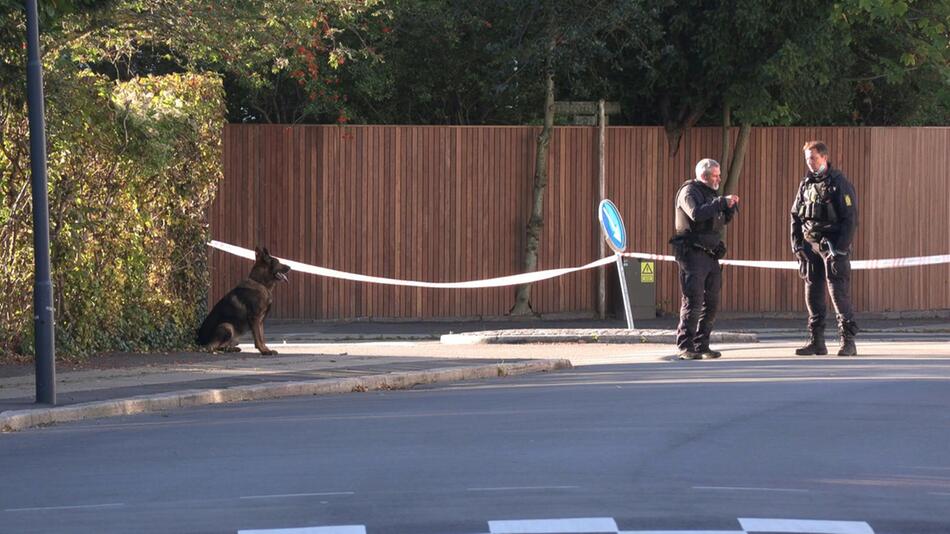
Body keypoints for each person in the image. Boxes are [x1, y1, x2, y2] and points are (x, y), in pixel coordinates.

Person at [790, 141, 859, 356]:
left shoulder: (839, 183)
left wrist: (839, 249)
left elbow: (850, 219)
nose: (810, 163)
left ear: (824, 158)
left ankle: (848, 341)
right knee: (813, 293)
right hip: (810, 246)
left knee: (838, 293)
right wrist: (797, 244)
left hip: (832, 247)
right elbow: (795, 216)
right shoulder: (806, 184)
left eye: (813, 158)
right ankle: (816, 341)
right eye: (807, 159)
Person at [670, 158, 739, 360]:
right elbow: (696, 214)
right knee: (693, 300)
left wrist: (728, 209)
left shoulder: (711, 193)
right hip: (692, 254)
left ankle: (702, 345)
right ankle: (685, 346)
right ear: (704, 176)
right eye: (715, 175)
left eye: (719, 175)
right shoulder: (689, 191)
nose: (719, 178)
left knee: (712, 301)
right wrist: (719, 202)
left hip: (710, 254)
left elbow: (718, 220)